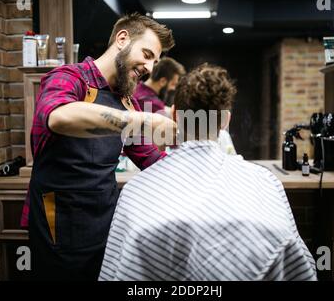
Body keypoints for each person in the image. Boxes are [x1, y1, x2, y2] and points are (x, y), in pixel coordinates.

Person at [99, 64, 317, 281]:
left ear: (173, 115)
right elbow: (300, 268)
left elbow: (114, 272)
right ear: (225, 121)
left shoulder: (136, 191)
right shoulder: (267, 183)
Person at [22, 13, 176, 280]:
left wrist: (198, 162)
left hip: (105, 222)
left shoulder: (127, 101)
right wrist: (142, 119)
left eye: (155, 61)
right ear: (123, 39)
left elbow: (150, 158)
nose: (150, 68)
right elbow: (59, 117)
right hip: (59, 222)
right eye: (147, 54)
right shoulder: (69, 78)